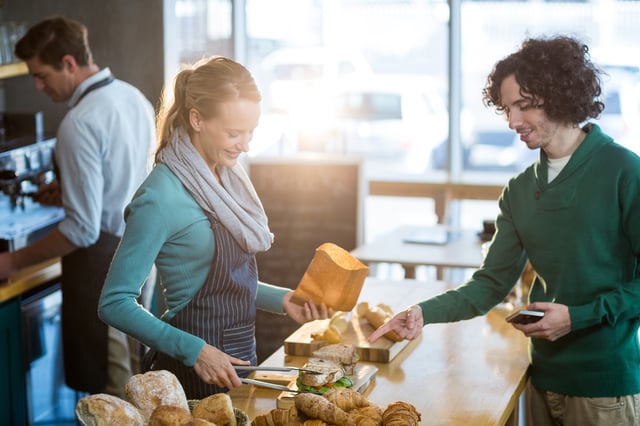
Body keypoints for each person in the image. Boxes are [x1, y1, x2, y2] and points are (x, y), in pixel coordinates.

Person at [369, 35, 640, 425]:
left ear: (561, 96)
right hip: (541, 379)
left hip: (606, 389)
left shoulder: (623, 172)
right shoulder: (518, 191)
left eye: (524, 106)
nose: (513, 121)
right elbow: (489, 286)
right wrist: (420, 313)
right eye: (507, 108)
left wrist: (578, 316)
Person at [98, 56, 330, 399]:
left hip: (238, 366)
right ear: (197, 119)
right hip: (187, 375)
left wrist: (284, 300)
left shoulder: (225, 178)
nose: (246, 145)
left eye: (251, 132)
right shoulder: (160, 196)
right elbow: (114, 302)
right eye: (234, 133)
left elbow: (222, 283)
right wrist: (194, 350)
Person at [0, 16, 156, 398]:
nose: (38, 87)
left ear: (69, 64)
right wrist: (69, 190)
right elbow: (127, 179)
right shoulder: (132, 96)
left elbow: (82, 228)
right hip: (144, 254)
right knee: (138, 380)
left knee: (113, 393)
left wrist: (12, 262)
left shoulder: (78, 122)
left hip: (104, 269)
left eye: (41, 75)